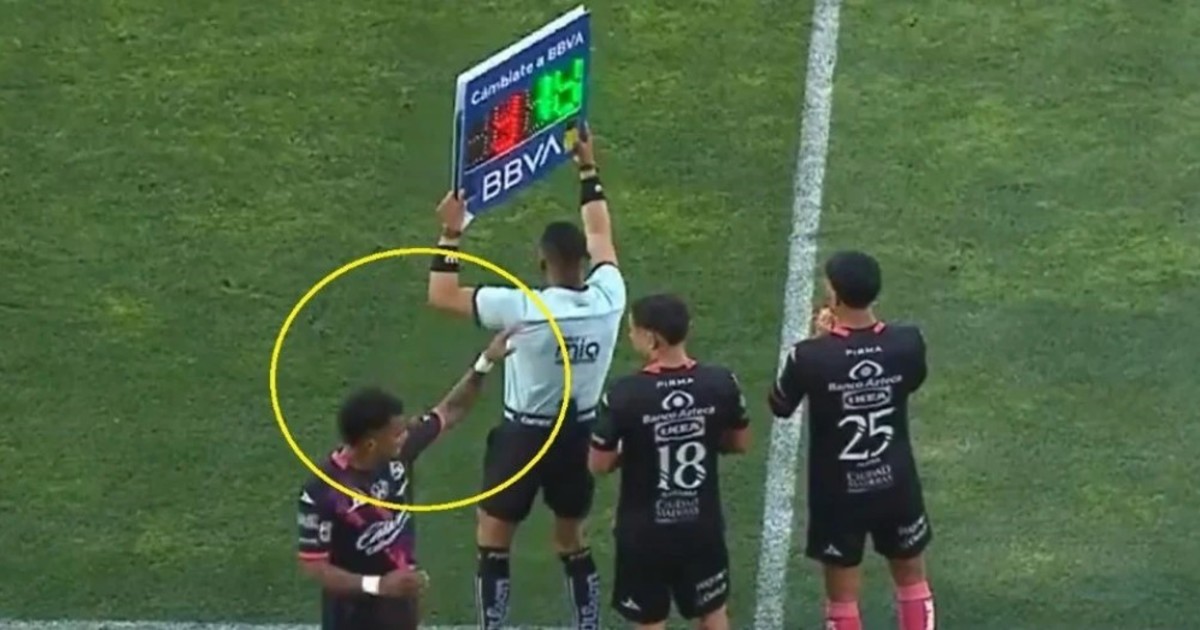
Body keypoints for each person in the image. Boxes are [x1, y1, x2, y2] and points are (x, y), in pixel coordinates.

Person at [426, 125, 625, 630]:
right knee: (571, 537)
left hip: (523, 436)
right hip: (577, 433)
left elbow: (442, 295)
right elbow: (602, 235)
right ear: (583, 261)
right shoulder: (610, 299)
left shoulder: (524, 308)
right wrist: (588, 168)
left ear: (541, 261)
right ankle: (587, 624)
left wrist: (451, 233)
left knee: (493, 537)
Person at [296, 329, 515, 630]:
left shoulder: (398, 453)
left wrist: (485, 362)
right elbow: (314, 565)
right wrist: (378, 585)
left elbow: (450, 410)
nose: (405, 436)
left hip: (400, 611)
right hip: (351, 619)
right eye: (396, 433)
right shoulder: (322, 490)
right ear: (370, 443)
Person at [768, 250, 934, 630]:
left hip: (839, 492)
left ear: (835, 296)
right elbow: (911, 380)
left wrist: (820, 341)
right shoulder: (908, 342)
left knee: (842, 599)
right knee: (912, 580)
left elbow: (780, 404)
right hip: (896, 481)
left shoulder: (810, 356)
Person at [589, 293, 751, 630]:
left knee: (650, 621)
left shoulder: (624, 394)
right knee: (713, 614)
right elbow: (739, 443)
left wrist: (636, 448)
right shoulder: (721, 383)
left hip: (644, 530)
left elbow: (598, 464)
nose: (630, 335)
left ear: (652, 339)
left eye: (633, 330)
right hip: (701, 524)